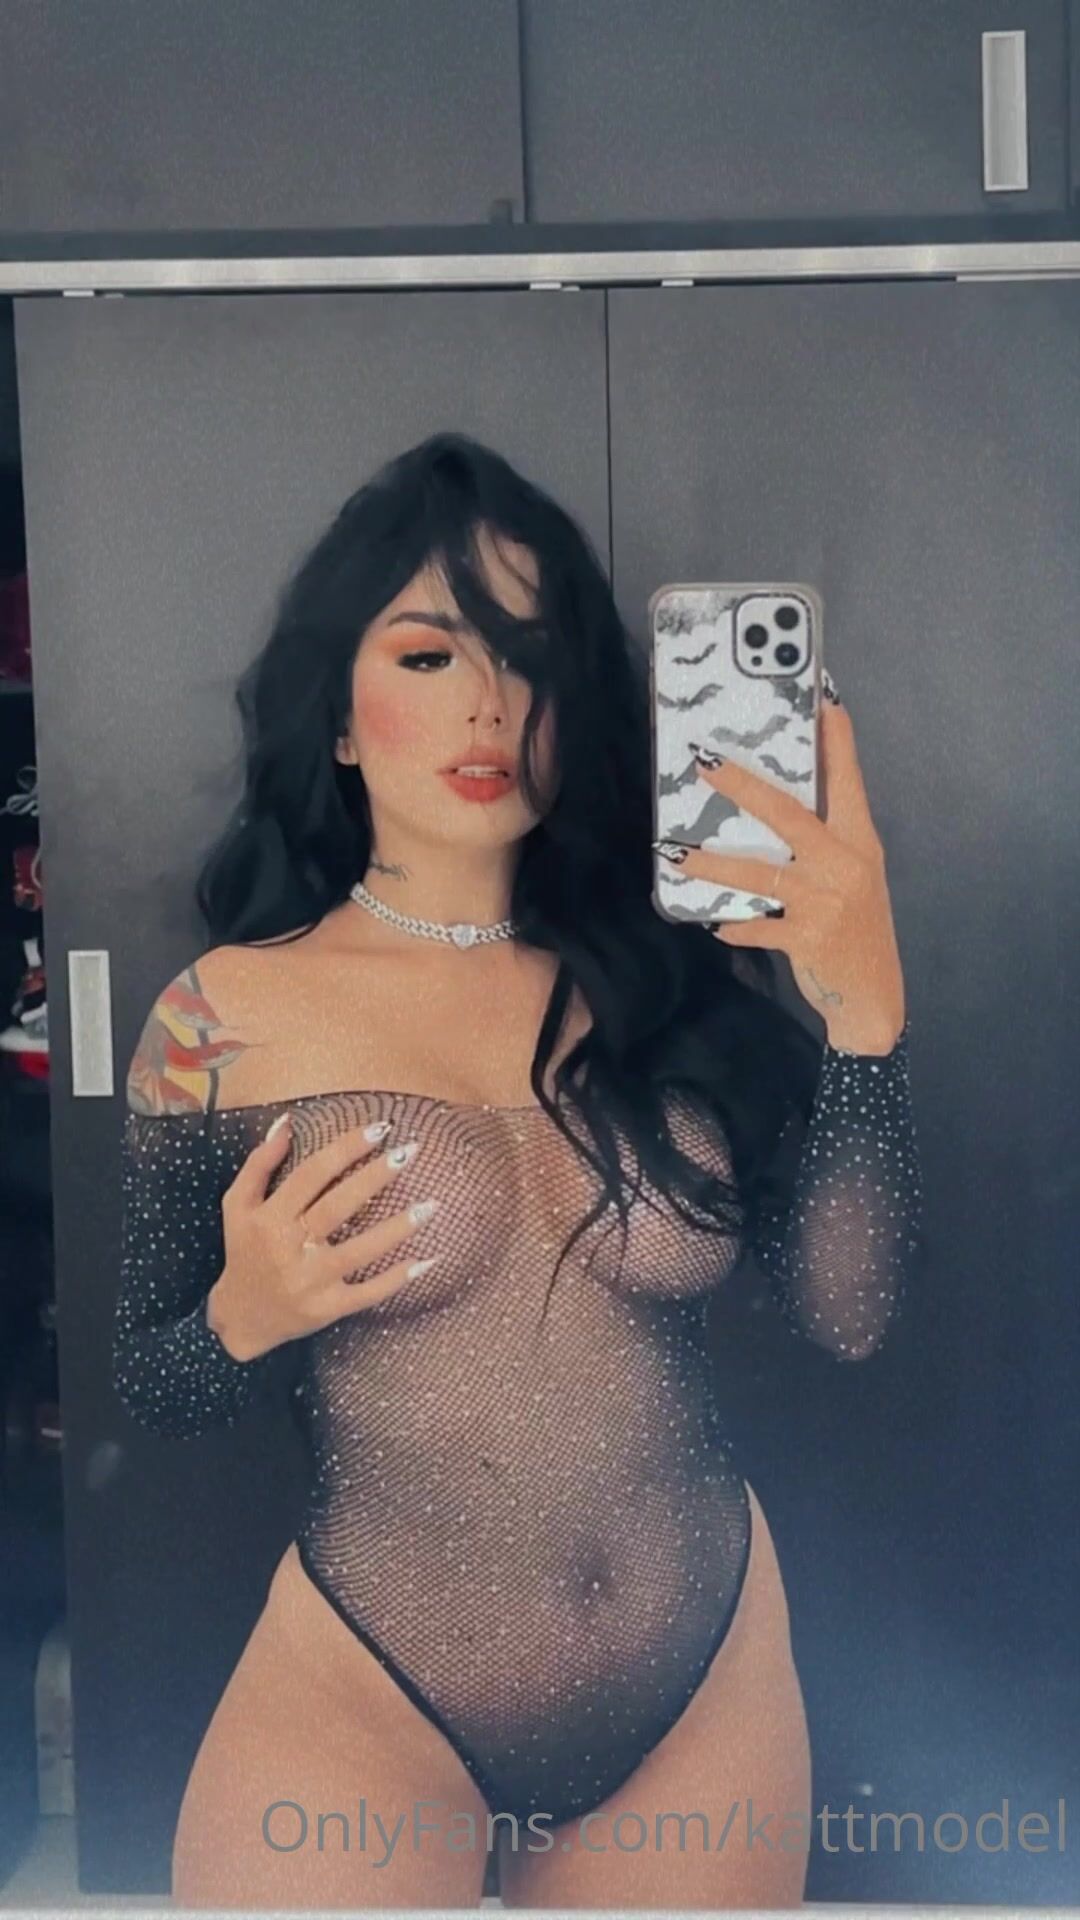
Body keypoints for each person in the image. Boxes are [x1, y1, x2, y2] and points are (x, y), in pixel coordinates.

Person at [112, 431, 924, 1910]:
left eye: (531, 660)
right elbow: (149, 1387)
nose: (488, 703)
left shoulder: (672, 986)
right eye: (429, 655)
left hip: (703, 1684)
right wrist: (242, 1315)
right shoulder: (216, 1020)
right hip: (365, 1698)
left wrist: (867, 1020)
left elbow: (853, 1315)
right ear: (338, 717)